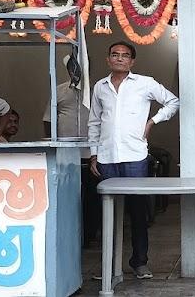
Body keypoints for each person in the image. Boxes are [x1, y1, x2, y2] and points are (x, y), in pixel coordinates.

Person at [88, 41, 179, 280]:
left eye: (125, 55)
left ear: (132, 61)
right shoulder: (100, 87)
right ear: (108, 59)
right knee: (107, 213)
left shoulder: (145, 84)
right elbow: (94, 122)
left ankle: (139, 262)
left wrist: (152, 122)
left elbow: (173, 101)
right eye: (115, 55)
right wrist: (94, 154)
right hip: (107, 158)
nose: (119, 58)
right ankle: (109, 266)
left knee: (138, 212)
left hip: (135, 157)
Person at [42, 55, 98, 245]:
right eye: (72, 68)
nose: (76, 72)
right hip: (66, 155)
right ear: (68, 70)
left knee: (91, 199)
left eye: (80, 68)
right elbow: (48, 120)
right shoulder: (59, 91)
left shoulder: (97, 91)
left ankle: (89, 237)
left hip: (91, 155)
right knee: (67, 198)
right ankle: (69, 237)